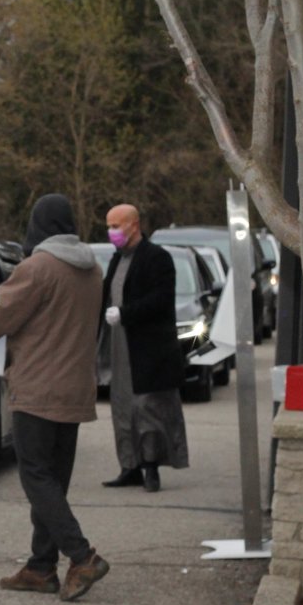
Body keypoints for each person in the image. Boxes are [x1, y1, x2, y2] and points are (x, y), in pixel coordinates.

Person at [0, 193, 109, 602]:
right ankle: (40, 567)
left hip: (38, 387)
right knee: (54, 479)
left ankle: (82, 556)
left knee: (35, 476)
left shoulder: (38, 267)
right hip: (75, 388)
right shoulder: (92, 268)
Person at [101, 204, 189, 493]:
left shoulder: (157, 258)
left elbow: (161, 300)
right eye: (109, 226)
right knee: (123, 406)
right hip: (120, 346)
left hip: (149, 349)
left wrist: (125, 313)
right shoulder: (116, 260)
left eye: (116, 225)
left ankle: (150, 467)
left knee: (148, 408)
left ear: (134, 225)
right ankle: (129, 465)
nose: (111, 231)